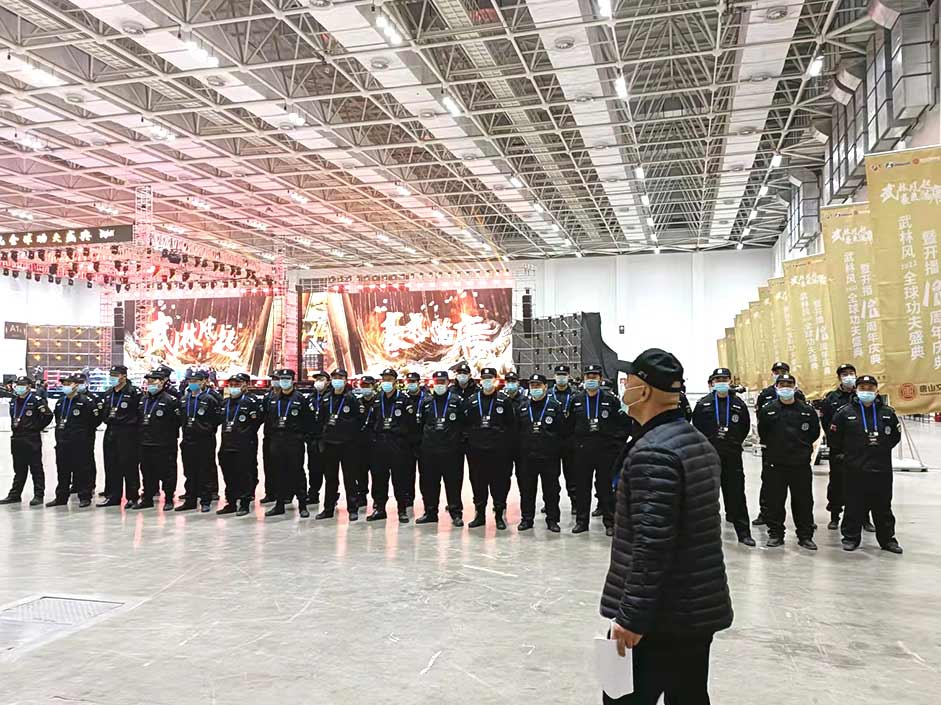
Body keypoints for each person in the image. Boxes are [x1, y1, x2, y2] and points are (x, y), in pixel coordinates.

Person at [601, 348, 732, 705]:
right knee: (687, 696)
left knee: (622, 697)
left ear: (642, 391)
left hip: (661, 616)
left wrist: (631, 618)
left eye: (627, 382)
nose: (623, 388)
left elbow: (651, 545)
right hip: (694, 608)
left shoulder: (654, 453)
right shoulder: (693, 440)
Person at [829, 375, 903, 554]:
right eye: (862, 388)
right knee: (853, 505)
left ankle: (887, 540)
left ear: (876, 391)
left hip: (881, 468)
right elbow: (835, 438)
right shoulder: (844, 413)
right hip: (854, 468)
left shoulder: (887, 413)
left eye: (870, 388)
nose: (866, 391)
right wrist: (848, 456)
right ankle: (851, 538)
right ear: (856, 390)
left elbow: (895, 436)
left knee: (883, 506)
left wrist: (880, 449)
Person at [756, 373, 820, 550]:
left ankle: (805, 536)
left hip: (800, 464)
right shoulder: (768, 410)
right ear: (776, 387)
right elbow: (763, 433)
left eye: (789, 384)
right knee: (775, 502)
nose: (786, 388)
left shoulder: (806, 410)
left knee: (803, 502)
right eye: (782, 384)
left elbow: (814, 433)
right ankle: (776, 534)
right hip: (776, 464)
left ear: (795, 387)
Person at [692, 368, 755, 546]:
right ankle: (703, 536)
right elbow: (697, 427)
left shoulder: (738, 404)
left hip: (732, 456)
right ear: (712, 383)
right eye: (717, 379)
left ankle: (744, 533)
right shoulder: (703, 404)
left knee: (737, 494)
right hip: (708, 456)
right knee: (706, 497)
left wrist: (733, 443)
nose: (721, 383)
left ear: (730, 381)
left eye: (724, 379)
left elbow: (744, 427)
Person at [571, 364, 630, 535]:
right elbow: (568, 426)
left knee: (605, 488)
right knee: (582, 488)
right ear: (584, 379)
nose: (591, 380)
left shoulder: (610, 400)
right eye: (588, 377)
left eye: (594, 377)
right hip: (583, 452)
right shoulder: (576, 400)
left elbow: (624, 424)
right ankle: (582, 522)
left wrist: (615, 443)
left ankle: (609, 522)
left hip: (605, 451)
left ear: (600, 378)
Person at [462, 367, 517, 530]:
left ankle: (499, 515)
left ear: (495, 379)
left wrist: (507, 447)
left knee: (499, 483)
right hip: (477, 452)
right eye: (484, 378)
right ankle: (480, 515)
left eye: (490, 377)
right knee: (478, 483)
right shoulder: (472, 401)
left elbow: (511, 425)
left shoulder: (504, 401)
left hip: (498, 452)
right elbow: (465, 425)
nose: (487, 380)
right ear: (480, 380)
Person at [753, 361, 806, 527]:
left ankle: (805, 522)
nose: (779, 374)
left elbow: (809, 427)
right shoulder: (765, 394)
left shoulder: (799, 395)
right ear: (773, 374)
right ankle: (765, 513)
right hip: (772, 448)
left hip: (795, 449)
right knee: (769, 484)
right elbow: (762, 422)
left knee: (801, 490)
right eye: (777, 372)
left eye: (783, 371)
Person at [821, 363, 874, 532]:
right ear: (839, 378)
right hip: (840, 450)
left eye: (851, 373)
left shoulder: (863, 396)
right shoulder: (831, 399)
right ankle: (835, 515)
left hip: (862, 450)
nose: (849, 377)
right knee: (837, 483)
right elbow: (826, 423)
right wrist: (836, 445)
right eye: (845, 374)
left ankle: (864, 517)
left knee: (864, 484)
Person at [367, 368, 418, 523]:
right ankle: (380, 509)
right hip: (380, 444)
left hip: (398, 445)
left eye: (389, 379)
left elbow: (411, 424)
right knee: (379, 478)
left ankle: (402, 510)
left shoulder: (404, 400)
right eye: (384, 379)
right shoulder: (377, 399)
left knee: (400, 479)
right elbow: (371, 422)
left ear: (395, 381)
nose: (386, 382)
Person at [516, 374, 566, 532]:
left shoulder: (554, 406)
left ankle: (552, 520)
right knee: (527, 490)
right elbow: (517, 431)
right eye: (532, 386)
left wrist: (556, 450)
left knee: (551, 490)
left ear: (545, 387)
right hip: (527, 457)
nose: (535, 388)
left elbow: (562, 431)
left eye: (538, 385)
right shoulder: (523, 407)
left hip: (549, 457)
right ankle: (526, 519)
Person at [416, 371, 465, 526]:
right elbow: (420, 424)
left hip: (451, 451)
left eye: (442, 382)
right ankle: (430, 512)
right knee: (429, 484)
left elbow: (464, 424)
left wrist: (459, 444)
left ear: (448, 382)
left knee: (453, 483)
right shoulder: (426, 401)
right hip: (429, 451)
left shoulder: (457, 401)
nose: (439, 385)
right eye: (437, 382)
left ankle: (456, 513)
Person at [46, 374, 100, 508]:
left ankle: (84, 496)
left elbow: (94, 421)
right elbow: (58, 419)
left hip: (80, 443)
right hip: (63, 442)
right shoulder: (60, 402)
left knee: (82, 470)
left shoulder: (86, 402)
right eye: (63, 384)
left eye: (68, 384)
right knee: (62, 471)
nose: (65, 386)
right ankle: (61, 497)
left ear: (76, 385)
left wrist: (83, 436)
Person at [317, 368, 364, 520]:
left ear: (345, 380)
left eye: (341, 377)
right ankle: (328, 509)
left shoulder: (352, 399)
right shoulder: (326, 398)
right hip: (330, 444)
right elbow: (321, 420)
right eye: (335, 377)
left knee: (350, 478)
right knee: (330, 478)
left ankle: (353, 509)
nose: (337, 380)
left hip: (348, 445)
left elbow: (359, 421)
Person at [262, 369, 310, 518]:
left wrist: (301, 437)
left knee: (297, 473)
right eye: (281, 378)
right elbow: (268, 420)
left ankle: (303, 505)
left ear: (292, 380)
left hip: (294, 441)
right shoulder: (273, 399)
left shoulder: (300, 399)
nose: (283, 381)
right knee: (278, 473)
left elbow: (307, 421)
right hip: (277, 441)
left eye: (287, 378)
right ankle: (279, 505)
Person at [1, 376, 53, 506]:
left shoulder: (36, 400)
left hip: (31, 438)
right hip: (17, 438)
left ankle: (38, 495)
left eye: (22, 385)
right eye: (18, 384)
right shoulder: (14, 401)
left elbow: (48, 415)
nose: (19, 387)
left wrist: (37, 427)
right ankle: (15, 494)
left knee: (36, 468)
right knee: (19, 468)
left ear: (29, 387)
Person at [216, 373, 263, 516]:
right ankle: (231, 502)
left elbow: (256, 422)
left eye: (237, 384)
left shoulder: (251, 402)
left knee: (244, 474)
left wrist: (245, 434)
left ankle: (244, 503)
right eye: (231, 385)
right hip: (226, 443)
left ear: (245, 385)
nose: (233, 387)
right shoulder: (225, 402)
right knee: (228, 474)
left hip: (244, 445)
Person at [98, 365, 142, 508]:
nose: (112, 378)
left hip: (128, 432)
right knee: (111, 465)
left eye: (115, 375)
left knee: (129, 465)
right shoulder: (108, 393)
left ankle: (132, 497)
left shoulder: (134, 392)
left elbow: (139, 413)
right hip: (111, 430)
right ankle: (113, 496)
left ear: (124, 376)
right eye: (111, 375)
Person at [136, 370, 181, 511]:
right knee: (147, 472)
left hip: (164, 444)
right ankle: (147, 498)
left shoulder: (170, 400)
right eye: (148, 381)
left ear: (162, 382)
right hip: (145, 442)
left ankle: (169, 499)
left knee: (168, 472)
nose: (150, 384)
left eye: (153, 381)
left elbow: (177, 422)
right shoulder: (143, 399)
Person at [177, 370, 221, 512]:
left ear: (203, 382)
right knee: (189, 471)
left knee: (204, 470)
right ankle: (190, 499)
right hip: (187, 439)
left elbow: (216, 419)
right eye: (190, 381)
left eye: (195, 381)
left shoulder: (209, 399)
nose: (192, 384)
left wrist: (206, 429)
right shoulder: (184, 399)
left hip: (204, 440)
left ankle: (205, 500)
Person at [551, 365, 578, 513]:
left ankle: (575, 502)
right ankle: (550, 503)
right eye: (559, 375)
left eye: (564, 375)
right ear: (554, 376)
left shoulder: (575, 395)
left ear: (568, 376)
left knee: (572, 474)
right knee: (551, 475)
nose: (561, 377)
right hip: (552, 441)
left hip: (570, 440)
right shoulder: (548, 394)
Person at [306, 370, 330, 506]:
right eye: (316, 379)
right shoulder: (311, 397)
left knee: (329, 470)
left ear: (328, 382)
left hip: (328, 439)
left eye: (321, 379)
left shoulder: (332, 397)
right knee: (313, 468)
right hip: (313, 439)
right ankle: (313, 494)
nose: (318, 382)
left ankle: (331, 496)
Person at [355, 375, 377, 511]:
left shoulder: (378, 402)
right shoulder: (357, 402)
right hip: (360, 443)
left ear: (373, 386)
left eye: (367, 386)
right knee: (360, 473)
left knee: (377, 474)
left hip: (375, 443)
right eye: (363, 386)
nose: (365, 388)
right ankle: (361, 497)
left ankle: (377, 500)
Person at [403, 371, 426, 507]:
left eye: (413, 382)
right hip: (406, 442)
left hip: (423, 442)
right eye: (409, 382)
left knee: (426, 474)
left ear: (419, 383)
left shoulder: (427, 398)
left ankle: (427, 500)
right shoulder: (403, 399)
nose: (411, 384)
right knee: (407, 473)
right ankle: (408, 499)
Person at [259, 381, 281, 503]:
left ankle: (285, 494)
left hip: (283, 437)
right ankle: (270, 493)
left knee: (283, 467)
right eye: (273, 379)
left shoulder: (291, 397)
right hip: (269, 436)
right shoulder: (267, 397)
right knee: (268, 466)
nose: (275, 381)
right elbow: (261, 416)